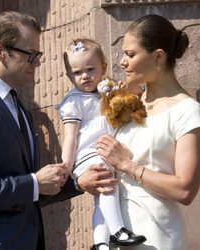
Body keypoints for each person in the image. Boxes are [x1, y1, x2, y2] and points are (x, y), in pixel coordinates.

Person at [87, 14, 200, 250]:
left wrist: (126, 165)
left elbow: (185, 190)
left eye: (130, 54)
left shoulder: (187, 112)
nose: (122, 62)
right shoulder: (131, 103)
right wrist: (88, 178)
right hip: (114, 234)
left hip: (155, 234)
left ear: (158, 56)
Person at [0, 11, 68, 250]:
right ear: (0, 52)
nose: (37, 62)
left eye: (37, 54)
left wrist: (79, 181)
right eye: (30, 54)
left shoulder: (16, 105)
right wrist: (33, 184)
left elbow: (26, 187)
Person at [57, 38, 146, 250]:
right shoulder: (74, 102)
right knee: (107, 186)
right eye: (77, 73)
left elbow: (131, 101)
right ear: (69, 75)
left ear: (103, 68)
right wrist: (66, 166)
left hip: (104, 153)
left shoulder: (107, 91)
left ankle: (101, 243)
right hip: (88, 155)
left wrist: (128, 90)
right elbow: (70, 137)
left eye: (90, 69)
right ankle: (118, 231)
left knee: (103, 198)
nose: (84, 76)